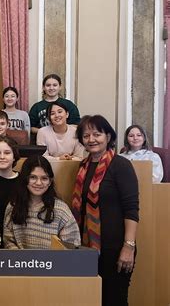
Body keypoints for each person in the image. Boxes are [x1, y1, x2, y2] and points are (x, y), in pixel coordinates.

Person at [72, 115, 139, 306]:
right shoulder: (83, 166)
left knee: (114, 300)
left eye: (97, 134)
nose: (91, 139)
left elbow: (131, 209)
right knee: (92, 299)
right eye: (86, 135)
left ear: (108, 136)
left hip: (116, 248)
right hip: (88, 248)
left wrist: (129, 246)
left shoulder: (121, 165)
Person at [3, 155, 81, 249]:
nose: (38, 183)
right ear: (25, 179)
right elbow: (8, 241)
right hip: (21, 262)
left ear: (50, 181)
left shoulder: (61, 210)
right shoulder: (13, 206)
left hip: (53, 262)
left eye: (44, 178)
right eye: (33, 177)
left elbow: (71, 246)